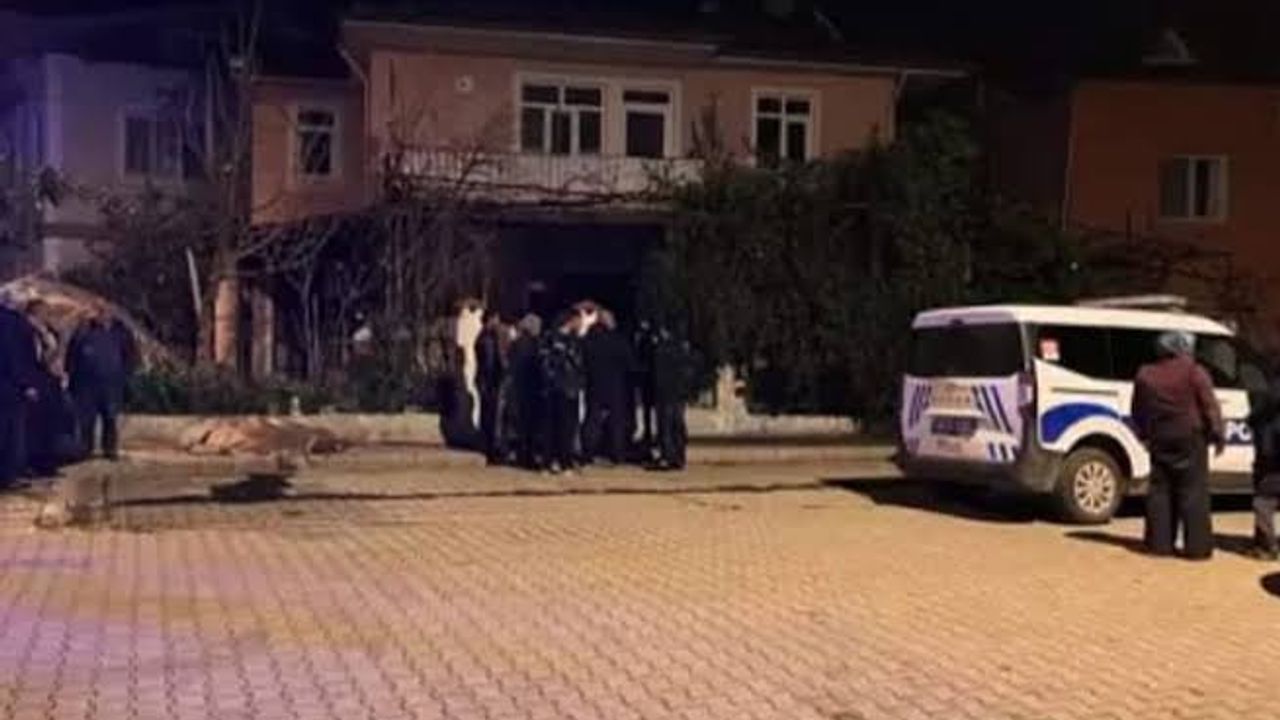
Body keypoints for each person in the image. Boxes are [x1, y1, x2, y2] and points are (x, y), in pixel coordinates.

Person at [1130, 330, 1225, 560]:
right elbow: (1209, 406)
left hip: (1159, 437)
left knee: (1160, 491)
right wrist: (1218, 434)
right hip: (1191, 437)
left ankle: (1159, 545)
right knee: (1193, 492)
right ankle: (1197, 548)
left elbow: (1137, 410)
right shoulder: (1194, 372)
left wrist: (1144, 434)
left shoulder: (1145, 374)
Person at [66, 307, 139, 461]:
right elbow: (72, 355)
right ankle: (85, 449)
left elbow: (130, 356)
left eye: (105, 312)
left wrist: (126, 376)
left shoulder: (122, 333)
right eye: (99, 312)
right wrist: (72, 377)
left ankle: (110, 449)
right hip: (86, 384)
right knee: (87, 419)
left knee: (110, 418)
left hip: (112, 384)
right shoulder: (85, 331)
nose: (101, 315)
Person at [581, 310, 632, 466]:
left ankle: (588, 452)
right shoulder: (618, 341)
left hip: (594, 385)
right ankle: (617, 453)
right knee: (616, 421)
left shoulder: (589, 340)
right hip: (615, 385)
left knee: (592, 419)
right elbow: (628, 362)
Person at [539, 311, 585, 475]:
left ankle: (555, 461)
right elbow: (547, 363)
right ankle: (559, 462)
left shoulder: (566, 340)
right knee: (560, 427)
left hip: (561, 388)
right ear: (571, 321)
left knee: (559, 427)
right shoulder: (558, 340)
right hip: (561, 388)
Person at [0, 303, 41, 489]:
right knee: (11, 432)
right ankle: (8, 476)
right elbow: (17, 356)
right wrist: (27, 383)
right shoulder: (13, 321)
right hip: (10, 388)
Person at [1246, 368, 1280, 560]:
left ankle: (1267, 547)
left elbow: (1258, 414)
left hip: (1272, 452)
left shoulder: (1273, 389)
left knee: (1264, 500)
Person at [650, 325, 691, 472]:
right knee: (677, 425)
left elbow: (659, 373)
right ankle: (678, 457)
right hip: (678, 392)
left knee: (666, 425)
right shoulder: (683, 349)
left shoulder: (662, 350)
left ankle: (668, 456)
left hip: (667, 392)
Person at [509, 314, 545, 470]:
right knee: (530, 424)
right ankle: (527, 456)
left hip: (519, 386)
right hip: (530, 388)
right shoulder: (533, 345)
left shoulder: (516, 344)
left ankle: (522, 454)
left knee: (522, 423)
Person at [474, 311, 506, 464]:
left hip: (487, 381)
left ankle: (489, 447)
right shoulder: (487, 338)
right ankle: (490, 449)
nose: (498, 323)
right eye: (495, 319)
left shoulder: (486, 337)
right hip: (490, 382)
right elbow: (490, 362)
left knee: (489, 416)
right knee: (491, 417)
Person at [632, 319, 659, 463]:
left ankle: (649, 435)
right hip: (650, 381)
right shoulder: (649, 341)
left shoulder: (643, 341)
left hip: (648, 381)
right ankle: (650, 435)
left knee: (649, 413)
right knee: (649, 413)